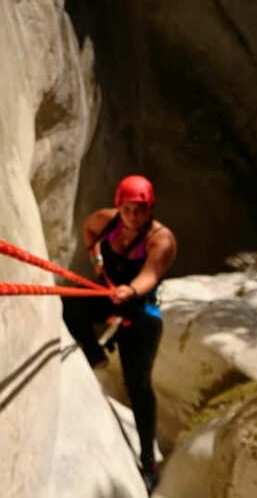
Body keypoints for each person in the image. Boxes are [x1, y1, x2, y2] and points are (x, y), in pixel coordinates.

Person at [63, 174, 177, 494]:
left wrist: (130, 290)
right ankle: (96, 355)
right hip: (110, 294)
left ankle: (147, 462)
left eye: (140, 210)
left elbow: (151, 274)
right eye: (128, 209)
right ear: (119, 206)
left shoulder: (161, 239)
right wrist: (97, 261)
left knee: (138, 385)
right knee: (70, 304)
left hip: (140, 312)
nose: (133, 216)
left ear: (150, 209)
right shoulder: (106, 220)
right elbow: (89, 230)